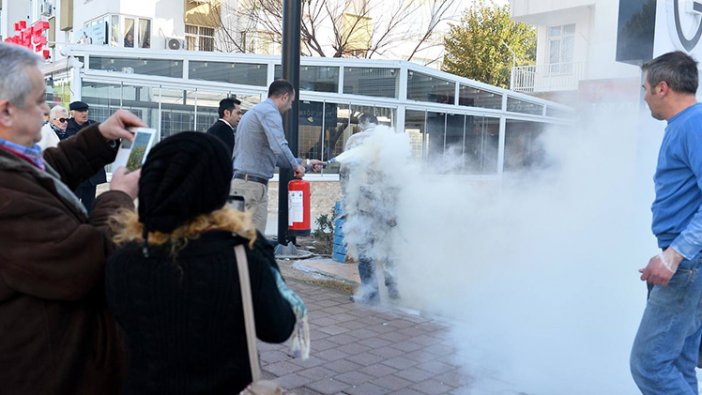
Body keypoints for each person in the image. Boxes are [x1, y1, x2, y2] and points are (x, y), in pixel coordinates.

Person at [106, 132, 303, 393]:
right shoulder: (241, 257)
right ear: (217, 189)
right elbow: (279, 327)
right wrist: (258, 247)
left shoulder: (122, 259)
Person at [0, 42, 144, 394]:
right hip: (47, 372)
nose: (47, 108)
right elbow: (89, 263)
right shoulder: (6, 196)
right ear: (6, 112)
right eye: (38, 100)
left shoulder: (14, 165)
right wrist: (120, 197)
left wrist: (100, 136)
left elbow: (47, 172)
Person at [630, 50, 702, 394]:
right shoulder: (688, 124)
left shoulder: (695, 124)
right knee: (678, 362)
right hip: (690, 262)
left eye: (644, 88)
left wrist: (673, 255)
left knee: (650, 364)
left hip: (688, 264)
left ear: (662, 88)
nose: (644, 97)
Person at [231, 79, 323, 233]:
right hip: (252, 188)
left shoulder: (256, 112)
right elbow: (280, 145)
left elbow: (275, 155)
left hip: (242, 185)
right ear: (284, 97)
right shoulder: (269, 112)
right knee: (252, 242)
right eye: (291, 101)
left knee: (236, 242)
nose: (291, 106)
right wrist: (296, 166)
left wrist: (305, 162)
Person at [339, 113, 400, 304]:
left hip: (363, 203)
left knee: (365, 246)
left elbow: (344, 173)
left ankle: (371, 292)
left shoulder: (354, 140)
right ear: (377, 123)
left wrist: (348, 201)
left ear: (361, 125)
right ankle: (394, 287)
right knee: (388, 245)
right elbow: (399, 177)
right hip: (386, 203)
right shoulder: (392, 139)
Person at [66, 100, 104, 212]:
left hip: (91, 176)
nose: (84, 113)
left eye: (86, 110)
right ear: (72, 113)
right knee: (73, 206)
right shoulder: (66, 127)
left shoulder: (94, 125)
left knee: (89, 206)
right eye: (81, 111)